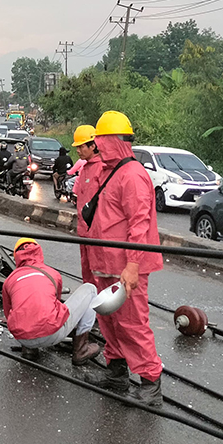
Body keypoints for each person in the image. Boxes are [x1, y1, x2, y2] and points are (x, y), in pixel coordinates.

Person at [80, 111, 163, 405]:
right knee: (110, 321)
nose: (97, 146)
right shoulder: (106, 171)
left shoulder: (133, 175)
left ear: (114, 141)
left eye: (100, 140)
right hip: (104, 261)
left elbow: (138, 224)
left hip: (126, 265)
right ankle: (116, 371)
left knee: (132, 323)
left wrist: (133, 266)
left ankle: (150, 381)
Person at [2, 238, 101, 365]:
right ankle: (81, 349)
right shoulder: (52, 273)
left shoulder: (10, 279)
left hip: (22, 338)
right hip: (52, 335)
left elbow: (7, 312)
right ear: (39, 253)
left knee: (26, 312)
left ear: (17, 257)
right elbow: (56, 306)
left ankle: (29, 350)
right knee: (90, 289)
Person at [69, 124, 99, 284]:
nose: (78, 151)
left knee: (97, 276)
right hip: (84, 230)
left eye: (81, 147)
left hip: (96, 233)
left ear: (92, 146)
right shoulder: (85, 168)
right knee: (87, 276)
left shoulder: (102, 168)